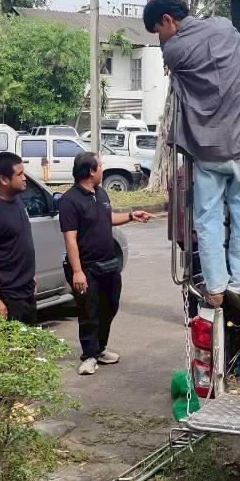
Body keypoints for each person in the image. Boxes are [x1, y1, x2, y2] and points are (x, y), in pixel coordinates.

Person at [142, 0, 240, 309]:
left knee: (208, 221)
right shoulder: (223, 27)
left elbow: (180, 66)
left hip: (209, 151)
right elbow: (235, 50)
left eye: (158, 32)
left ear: (168, 20)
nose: (161, 40)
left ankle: (216, 288)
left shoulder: (174, 50)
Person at [60, 151, 153, 375]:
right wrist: (77, 271)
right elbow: (70, 238)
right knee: (88, 312)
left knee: (109, 306)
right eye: (100, 166)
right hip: (87, 268)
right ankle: (89, 355)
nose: (102, 169)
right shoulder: (69, 200)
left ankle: (100, 349)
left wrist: (132, 216)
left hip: (109, 264)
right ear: (91, 171)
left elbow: (107, 218)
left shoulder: (100, 193)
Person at [0, 152, 38, 325]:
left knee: (28, 348)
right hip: (7, 295)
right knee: (11, 349)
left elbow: (21, 243)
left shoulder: (16, 199)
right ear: (4, 179)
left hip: (25, 290)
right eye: (19, 174)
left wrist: (31, 278)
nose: (24, 178)